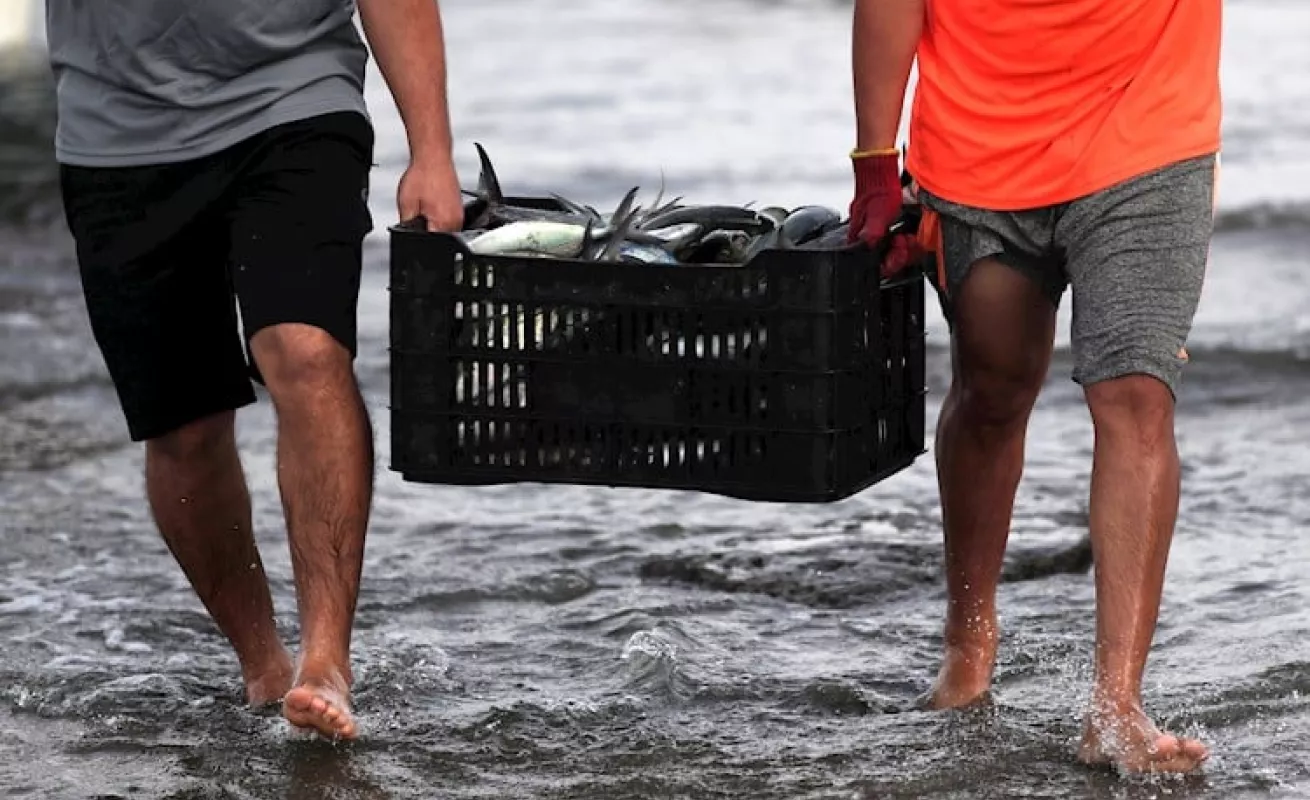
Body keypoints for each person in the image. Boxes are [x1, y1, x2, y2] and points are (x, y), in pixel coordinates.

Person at [44, 0, 465, 740]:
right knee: (184, 427)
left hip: (293, 97)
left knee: (304, 352)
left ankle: (326, 660)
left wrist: (431, 149)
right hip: (117, 136)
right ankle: (264, 668)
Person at [846, 0, 1221, 775]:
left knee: (1136, 395)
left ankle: (1116, 707)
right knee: (991, 391)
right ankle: (968, 645)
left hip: (1149, 130)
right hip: (979, 141)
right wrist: (876, 168)